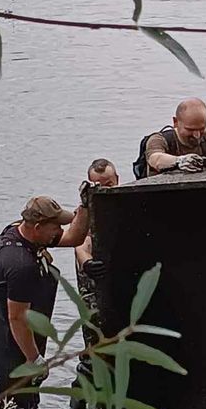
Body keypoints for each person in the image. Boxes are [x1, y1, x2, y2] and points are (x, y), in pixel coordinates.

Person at [0, 187, 92, 409]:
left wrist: (85, 206)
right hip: (9, 343)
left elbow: (75, 238)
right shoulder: (19, 265)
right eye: (55, 227)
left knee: (28, 402)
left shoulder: (21, 232)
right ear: (38, 227)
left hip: (16, 336)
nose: (60, 232)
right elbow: (17, 318)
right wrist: (34, 359)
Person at [73, 159, 119, 394]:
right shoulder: (87, 210)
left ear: (117, 180)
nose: (103, 190)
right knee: (94, 338)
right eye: (97, 185)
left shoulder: (125, 201)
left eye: (108, 184)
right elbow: (80, 242)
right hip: (92, 285)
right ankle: (84, 394)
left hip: (119, 281)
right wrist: (87, 262)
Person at [136, 97, 206, 177]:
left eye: (201, 129)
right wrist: (178, 161)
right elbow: (155, 159)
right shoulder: (159, 139)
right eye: (190, 130)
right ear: (176, 122)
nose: (197, 135)